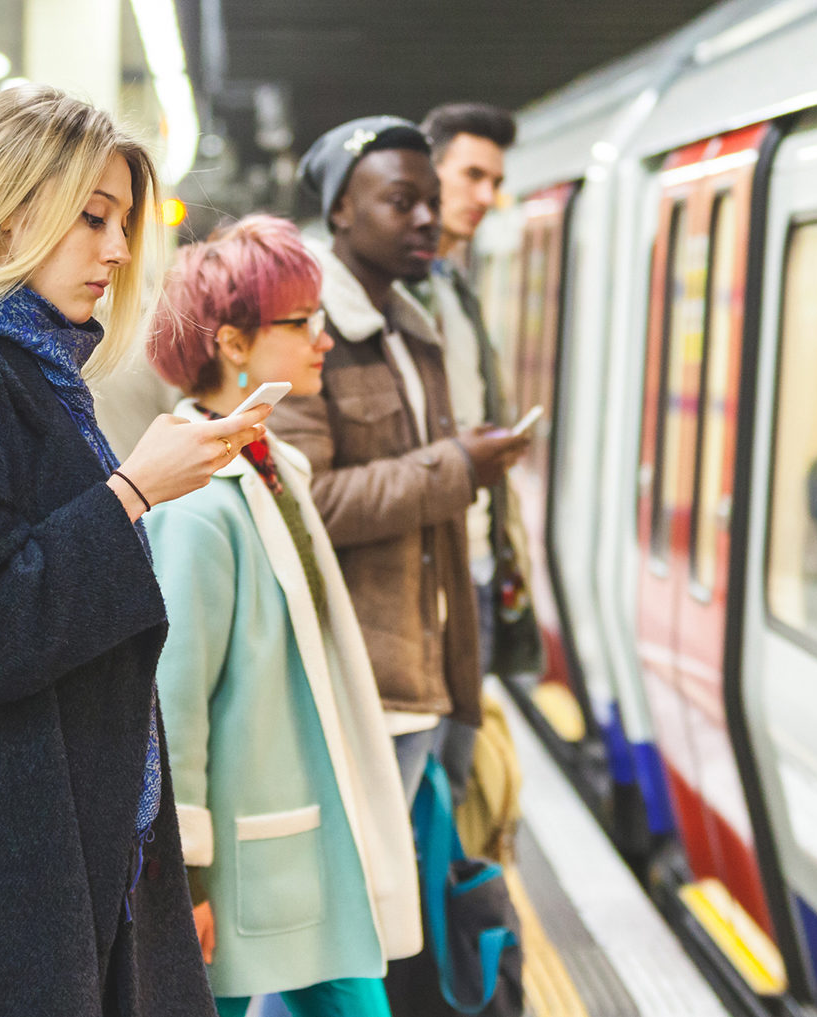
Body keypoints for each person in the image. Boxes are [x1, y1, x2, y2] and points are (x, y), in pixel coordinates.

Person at [0, 85, 272, 1017]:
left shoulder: (44, 369)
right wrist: (132, 491)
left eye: (123, 222)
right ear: (7, 215)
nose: (119, 251)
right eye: (94, 219)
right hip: (11, 855)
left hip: (85, 842)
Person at [146, 215, 422, 1017]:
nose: (323, 338)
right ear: (232, 344)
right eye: (299, 322)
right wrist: (185, 874)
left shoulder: (268, 464)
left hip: (294, 838)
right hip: (241, 859)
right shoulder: (197, 506)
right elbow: (174, 700)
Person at [271, 116, 529, 806]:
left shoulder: (412, 332)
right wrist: (460, 468)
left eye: (431, 203)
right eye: (400, 201)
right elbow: (306, 503)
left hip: (428, 670)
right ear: (341, 210)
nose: (426, 219)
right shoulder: (304, 329)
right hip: (361, 688)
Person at [409, 103, 542, 803]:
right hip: (429, 575)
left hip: (478, 563)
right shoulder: (394, 293)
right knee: (426, 782)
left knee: (453, 779)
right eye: (472, 175)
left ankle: (441, 904)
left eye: (496, 180)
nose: (486, 196)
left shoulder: (456, 288)